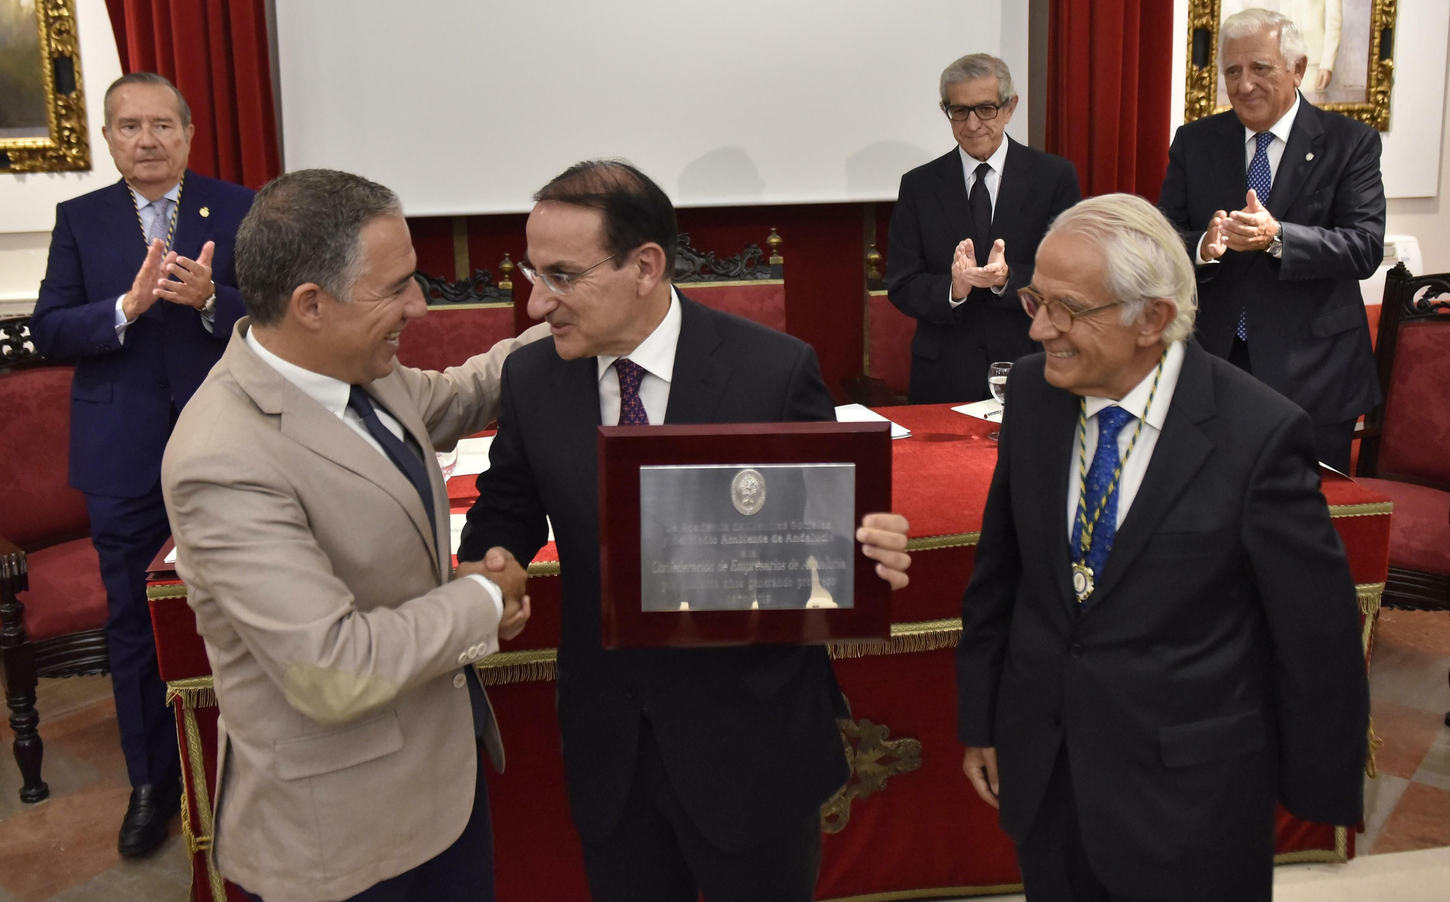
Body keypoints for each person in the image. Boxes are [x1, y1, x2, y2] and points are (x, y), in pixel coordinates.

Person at [457, 160, 915, 902]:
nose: (537, 303)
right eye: (530, 273)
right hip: (612, 746)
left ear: (645, 266)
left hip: (751, 745)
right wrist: (492, 559)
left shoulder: (773, 371)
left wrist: (862, 549)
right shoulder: (534, 380)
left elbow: (827, 527)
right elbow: (507, 502)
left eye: (562, 276)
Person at [955, 194, 1369, 902]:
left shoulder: (1259, 435)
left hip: (1192, 806)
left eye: (1069, 309)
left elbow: (1316, 634)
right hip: (1048, 779)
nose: (1041, 330)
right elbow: (1002, 576)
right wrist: (985, 720)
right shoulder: (1032, 396)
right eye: (1036, 300)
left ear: (1152, 318)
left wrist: (1311, 790)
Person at [162, 169, 548, 902]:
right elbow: (330, 669)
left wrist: (566, 314)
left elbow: (463, 392)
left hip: (443, 788)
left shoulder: (359, 367)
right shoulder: (223, 456)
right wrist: (482, 604)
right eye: (397, 287)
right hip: (340, 836)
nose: (420, 306)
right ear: (311, 304)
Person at [29, 72, 254, 855]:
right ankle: (152, 783)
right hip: (121, 456)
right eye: (130, 127)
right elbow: (48, 331)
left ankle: (246, 769)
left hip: (229, 448)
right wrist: (124, 310)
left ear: (189, 134)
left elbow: (285, 313)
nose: (148, 140)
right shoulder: (80, 219)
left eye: (163, 126)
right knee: (134, 624)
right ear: (109, 138)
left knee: (243, 610)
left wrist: (212, 300)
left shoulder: (237, 207)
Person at [1157, 8, 1384, 472]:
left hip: (1314, 372)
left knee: (1301, 526)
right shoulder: (1194, 142)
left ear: (1297, 69)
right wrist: (1204, 246)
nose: (1244, 86)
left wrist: (1278, 237)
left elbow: (1364, 246)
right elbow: (1162, 240)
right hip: (1214, 363)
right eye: (1233, 72)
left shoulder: (1350, 143)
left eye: (1260, 68)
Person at [886, 54, 1081, 403]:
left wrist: (1007, 279)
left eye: (985, 109)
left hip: (1030, 365)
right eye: (958, 111)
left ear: (1009, 108)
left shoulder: (1053, 178)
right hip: (944, 375)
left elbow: (1072, 276)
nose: (972, 124)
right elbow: (901, 284)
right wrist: (954, 289)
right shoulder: (919, 185)